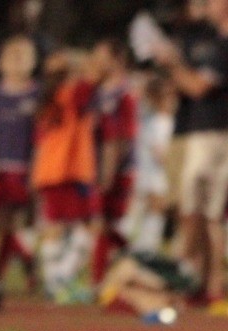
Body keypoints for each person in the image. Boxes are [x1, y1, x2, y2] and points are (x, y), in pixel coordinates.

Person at [153, 0, 228, 312]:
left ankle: (213, 286)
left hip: (214, 135)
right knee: (197, 211)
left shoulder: (222, 46)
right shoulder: (211, 41)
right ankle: (201, 283)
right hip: (202, 134)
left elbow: (198, 87)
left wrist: (173, 65)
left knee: (209, 214)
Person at [32, 49, 98, 303]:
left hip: (50, 170)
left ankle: (54, 280)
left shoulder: (48, 96)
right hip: (71, 169)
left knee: (54, 225)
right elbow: (94, 77)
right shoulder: (73, 92)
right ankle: (61, 278)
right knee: (88, 225)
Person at [0, 34, 39, 290]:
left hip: (24, 166)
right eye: (12, 56)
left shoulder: (36, 94)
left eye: (23, 56)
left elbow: (40, 136)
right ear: (1, 62)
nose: (17, 62)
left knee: (14, 221)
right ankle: (23, 260)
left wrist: (37, 166)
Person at [89, 38, 138, 284]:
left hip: (118, 169)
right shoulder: (99, 92)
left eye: (101, 56)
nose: (96, 61)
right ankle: (136, 261)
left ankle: (97, 281)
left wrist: (109, 171)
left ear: (117, 60)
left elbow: (123, 138)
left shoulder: (124, 93)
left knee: (101, 223)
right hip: (98, 166)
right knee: (102, 224)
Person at [122, 74, 176, 255]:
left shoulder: (152, 120)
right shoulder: (159, 122)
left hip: (148, 174)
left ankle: (143, 248)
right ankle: (142, 249)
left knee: (150, 211)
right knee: (150, 209)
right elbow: (160, 153)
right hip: (154, 175)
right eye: (169, 97)